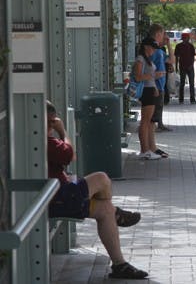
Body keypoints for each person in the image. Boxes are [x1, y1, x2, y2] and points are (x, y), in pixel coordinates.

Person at [46, 101, 148, 280]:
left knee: (105, 210)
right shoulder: (46, 142)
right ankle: (117, 213)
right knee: (101, 178)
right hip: (58, 198)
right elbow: (71, 155)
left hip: (58, 195)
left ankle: (119, 265)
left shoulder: (40, 141)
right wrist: (62, 131)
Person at [133, 37, 165, 160]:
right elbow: (138, 77)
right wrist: (153, 75)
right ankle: (144, 150)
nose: (153, 50)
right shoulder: (141, 59)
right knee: (145, 122)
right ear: (146, 46)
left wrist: (155, 86)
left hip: (150, 90)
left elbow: (148, 77)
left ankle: (146, 149)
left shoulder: (147, 59)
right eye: (152, 47)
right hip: (146, 92)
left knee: (147, 121)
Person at [147, 24, 173, 132]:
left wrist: (168, 45)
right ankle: (150, 134)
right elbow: (146, 68)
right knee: (152, 114)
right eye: (163, 34)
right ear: (158, 34)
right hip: (154, 86)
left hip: (160, 85)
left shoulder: (160, 51)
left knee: (159, 107)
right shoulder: (151, 50)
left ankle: (159, 125)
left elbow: (171, 60)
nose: (164, 36)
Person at [174, 32, 196, 104]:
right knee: (182, 84)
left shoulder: (191, 46)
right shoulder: (178, 46)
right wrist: (176, 67)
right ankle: (181, 99)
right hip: (182, 67)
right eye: (184, 38)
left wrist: (191, 65)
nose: (185, 40)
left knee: (191, 84)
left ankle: (192, 99)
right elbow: (176, 57)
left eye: (186, 38)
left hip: (190, 67)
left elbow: (193, 57)